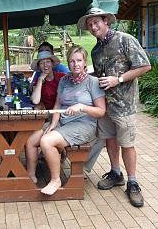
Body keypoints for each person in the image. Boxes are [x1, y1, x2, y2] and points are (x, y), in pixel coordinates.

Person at [77, 7, 151, 207]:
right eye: (90, 25)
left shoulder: (125, 39)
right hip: (106, 105)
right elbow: (100, 77)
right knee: (110, 139)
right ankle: (116, 173)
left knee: (127, 143)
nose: (93, 27)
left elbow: (144, 66)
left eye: (96, 22)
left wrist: (117, 79)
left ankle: (133, 182)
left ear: (105, 21)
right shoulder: (96, 50)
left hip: (125, 105)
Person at [37, 45, 106, 195]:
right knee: (31, 138)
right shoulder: (64, 80)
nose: (76, 64)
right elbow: (57, 104)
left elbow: (101, 111)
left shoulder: (92, 82)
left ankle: (55, 180)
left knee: (46, 141)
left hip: (84, 125)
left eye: (79, 60)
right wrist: (53, 123)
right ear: (68, 63)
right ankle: (29, 176)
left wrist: (82, 107)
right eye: (72, 61)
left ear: (84, 61)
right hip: (63, 121)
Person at [26, 50, 66, 183]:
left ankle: (55, 168)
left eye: (48, 62)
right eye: (42, 63)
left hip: (63, 116)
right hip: (47, 117)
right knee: (31, 139)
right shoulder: (39, 80)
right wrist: (41, 80)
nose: (45, 65)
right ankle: (31, 174)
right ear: (39, 67)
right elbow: (35, 101)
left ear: (53, 63)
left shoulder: (62, 77)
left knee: (38, 136)